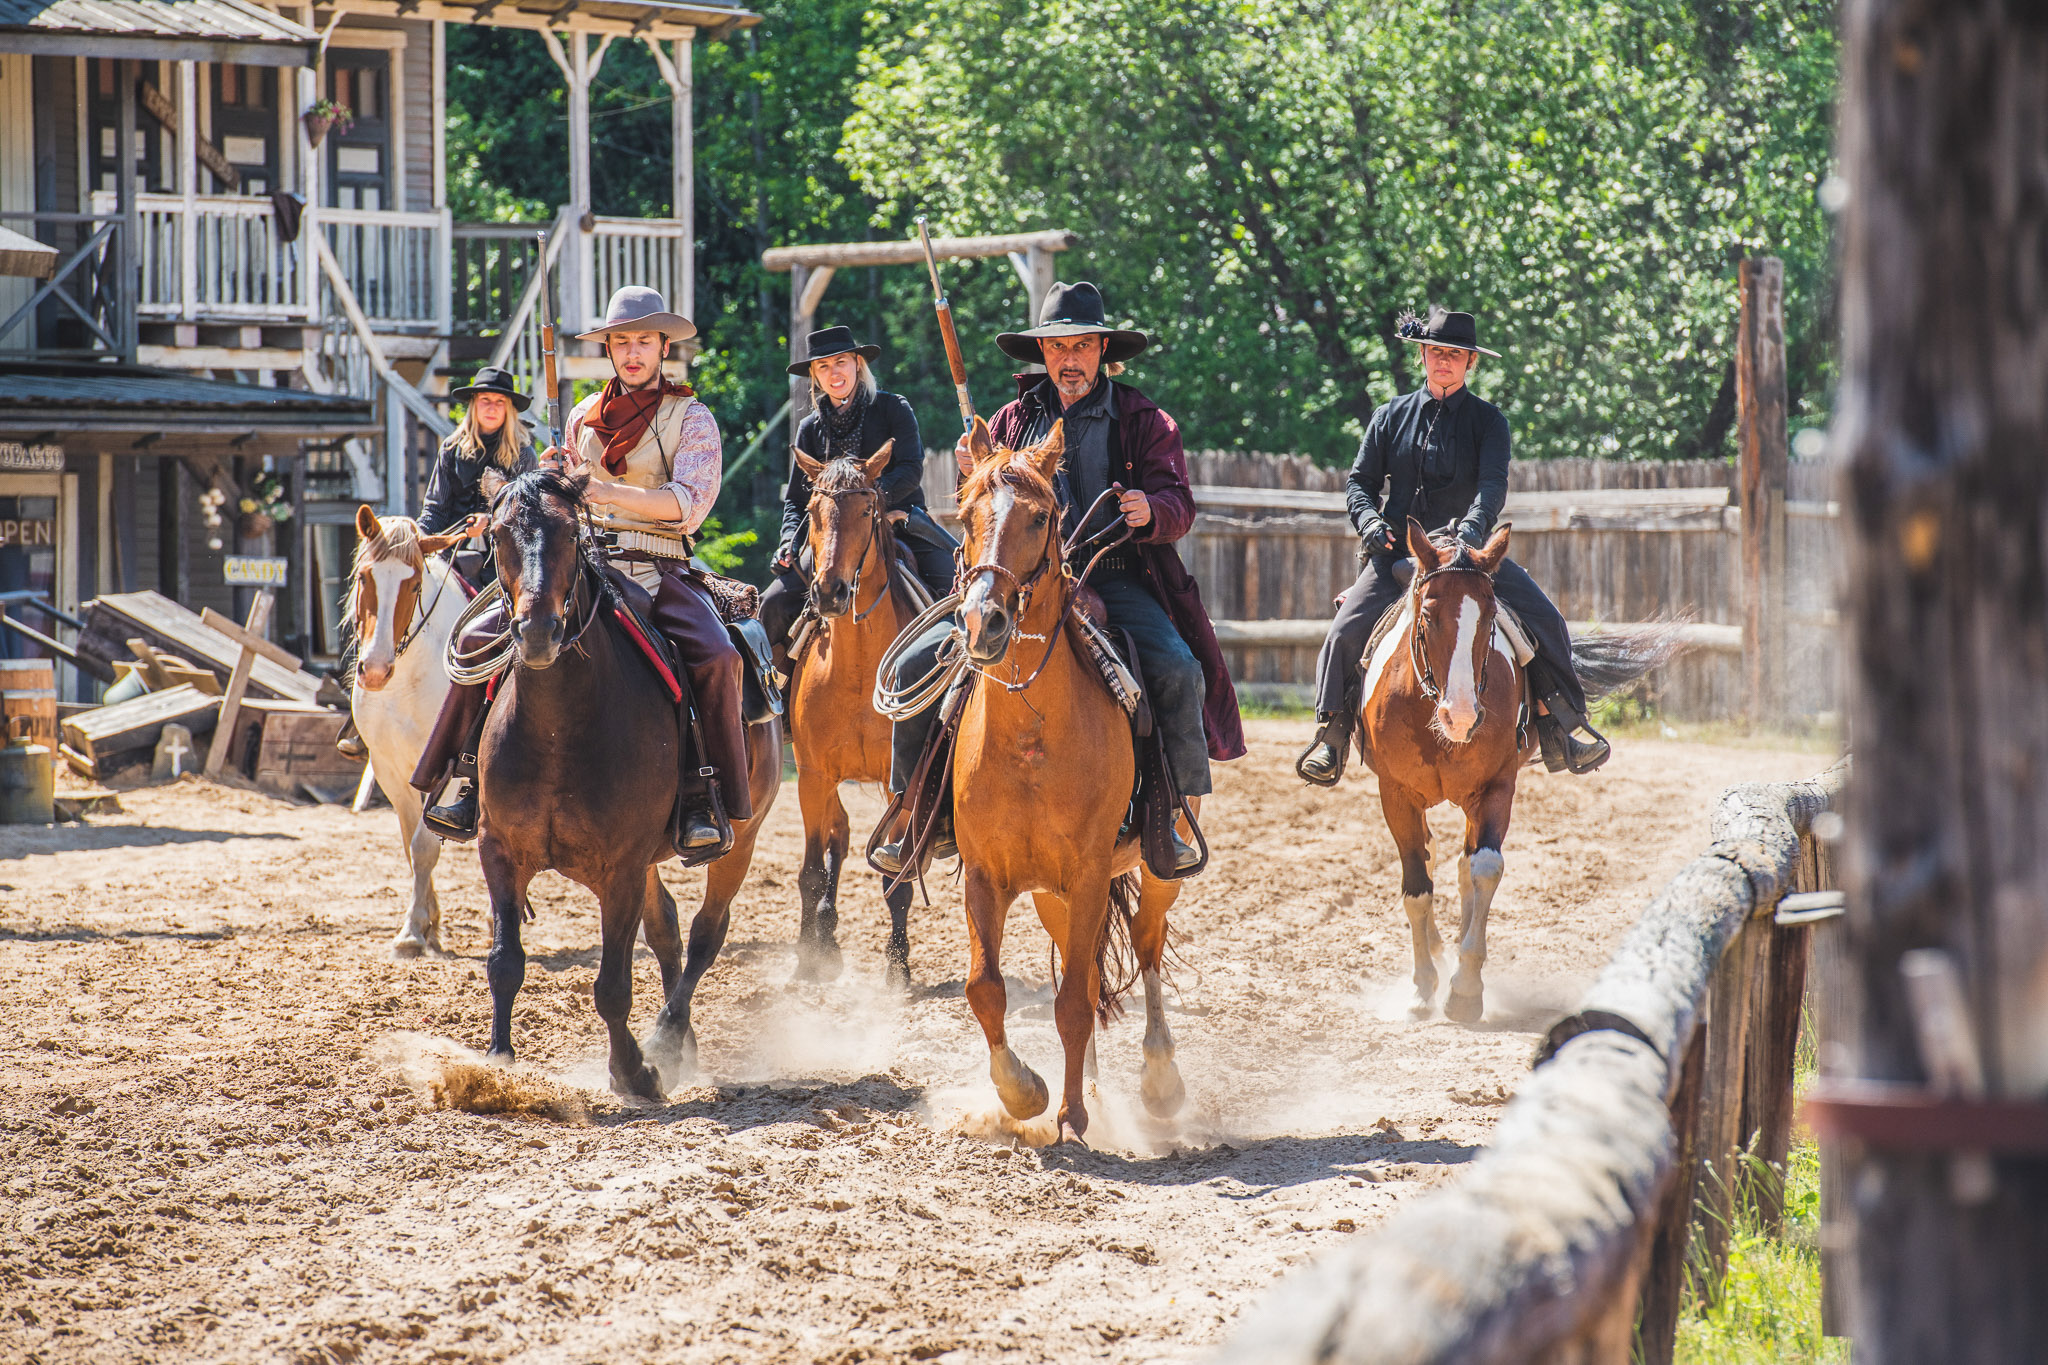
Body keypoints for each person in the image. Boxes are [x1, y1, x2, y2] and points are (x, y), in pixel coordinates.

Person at [873, 281, 1245, 874]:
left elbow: (1181, 502)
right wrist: (977, 468)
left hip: (1115, 574)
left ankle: (1168, 817)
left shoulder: (1145, 419)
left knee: (1176, 669)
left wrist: (1153, 510)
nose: (1068, 360)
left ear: (1102, 349)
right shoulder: (1009, 420)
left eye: (1081, 347)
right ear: (1042, 354)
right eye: (1056, 348)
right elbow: (981, 503)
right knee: (919, 663)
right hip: (1014, 583)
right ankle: (916, 813)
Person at [411, 286, 753, 854]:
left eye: (644, 340)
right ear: (611, 350)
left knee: (717, 657)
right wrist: (553, 482)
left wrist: (603, 488)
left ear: (664, 345)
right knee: (476, 639)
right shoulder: (580, 418)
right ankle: (464, 778)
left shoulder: (692, 417)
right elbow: (563, 502)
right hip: (582, 565)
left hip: (657, 567)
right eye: (622, 342)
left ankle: (703, 794)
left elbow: (689, 505)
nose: (633, 352)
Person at [1295, 305, 1609, 786]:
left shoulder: (1490, 422)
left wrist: (1471, 534)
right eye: (1438, 352)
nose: (1445, 361)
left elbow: (1492, 487)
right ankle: (1331, 734)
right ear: (1423, 354)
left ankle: (1564, 727)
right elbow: (1358, 483)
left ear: (1470, 364)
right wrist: (1371, 524)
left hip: (1470, 559)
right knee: (1342, 633)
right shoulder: (1388, 416)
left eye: (1456, 355)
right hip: (1399, 557)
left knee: (1548, 621)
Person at [758, 326, 957, 674]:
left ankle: (958, 689)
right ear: (815, 376)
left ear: (857, 364)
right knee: (772, 603)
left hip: (898, 520)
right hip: (831, 535)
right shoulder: (809, 428)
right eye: (823, 367)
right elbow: (795, 500)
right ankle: (771, 698)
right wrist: (789, 541)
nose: (834, 373)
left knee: (951, 585)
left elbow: (911, 469)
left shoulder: (893, 408)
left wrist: (876, 504)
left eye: (841, 362)